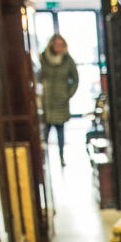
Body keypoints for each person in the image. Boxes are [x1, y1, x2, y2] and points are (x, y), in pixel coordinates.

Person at [39, 34, 78, 165]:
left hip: (61, 101)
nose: (59, 47)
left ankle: (61, 157)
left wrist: (68, 94)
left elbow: (75, 80)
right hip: (47, 101)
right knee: (45, 132)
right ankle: (43, 159)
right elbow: (38, 76)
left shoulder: (67, 60)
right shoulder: (43, 58)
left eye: (61, 45)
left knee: (60, 131)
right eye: (57, 44)